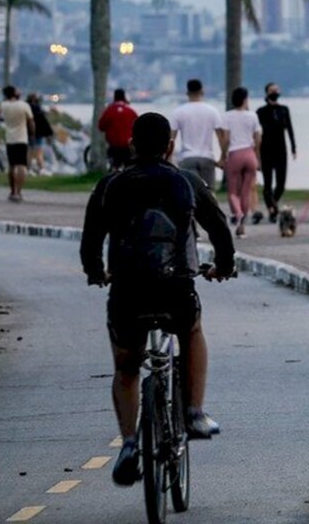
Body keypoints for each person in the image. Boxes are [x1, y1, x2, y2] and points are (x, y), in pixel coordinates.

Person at [80, 112, 236, 487]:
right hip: (175, 287)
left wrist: (96, 273)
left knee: (127, 367)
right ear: (170, 146)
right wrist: (223, 267)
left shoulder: (109, 185)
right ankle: (195, 412)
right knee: (192, 330)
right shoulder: (187, 181)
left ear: (132, 144)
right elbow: (220, 232)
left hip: (127, 292)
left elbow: (90, 242)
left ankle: (130, 443)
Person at [170, 79, 227, 190]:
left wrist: (169, 159)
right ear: (202, 91)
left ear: (187, 93)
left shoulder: (178, 112)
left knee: (190, 191)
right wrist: (222, 158)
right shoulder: (212, 111)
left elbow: (171, 138)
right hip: (207, 157)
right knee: (209, 191)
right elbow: (222, 137)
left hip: (187, 157)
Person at [256, 82, 297, 223]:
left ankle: (273, 205)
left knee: (281, 183)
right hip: (266, 150)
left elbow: (290, 129)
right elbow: (256, 133)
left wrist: (293, 147)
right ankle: (272, 209)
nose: (275, 92)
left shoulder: (284, 110)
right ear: (267, 93)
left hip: (281, 150)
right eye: (272, 90)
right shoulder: (260, 112)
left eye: (277, 90)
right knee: (267, 183)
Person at [223, 87, 261, 237]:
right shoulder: (252, 116)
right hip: (249, 153)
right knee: (246, 191)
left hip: (235, 153)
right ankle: (242, 224)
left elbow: (226, 139)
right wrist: (256, 155)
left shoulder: (227, 116)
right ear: (245, 99)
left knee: (233, 191)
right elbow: (258, 137)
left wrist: (223, 155)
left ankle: (237, 213)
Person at [0, 85, 34, 202]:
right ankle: (18, 192)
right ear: (14, 93)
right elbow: (31, 122)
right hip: (22, 139)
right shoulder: (24, 105)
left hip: (10, 139)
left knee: (12, 166)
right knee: (21, 166)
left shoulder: (3, 106)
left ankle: (12, 190)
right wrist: (32, 134)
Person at [98, 89, 138, 170]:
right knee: (129, 168)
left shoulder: (109, 110)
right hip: (128, 146)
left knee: (115, 168)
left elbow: (101, 126)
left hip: (114, 146)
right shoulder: (130, 111)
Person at [28, 93, 54, 173]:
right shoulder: (37, 109)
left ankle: (28, 168)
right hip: (38, 133)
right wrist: (49, 133)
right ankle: (41, 168)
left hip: (28, 133)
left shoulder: (27, 108)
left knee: (30, 151)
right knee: (39, 151)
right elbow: (43, 122)